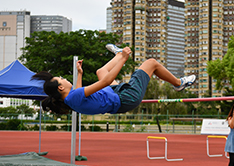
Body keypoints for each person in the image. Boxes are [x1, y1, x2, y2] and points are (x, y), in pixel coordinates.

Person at [32, 44, 196, 115]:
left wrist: (80, 74)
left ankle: (117, 53)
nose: (64, 78)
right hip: (125, 98)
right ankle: (179, 84)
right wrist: (124, 59)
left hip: (114, 94)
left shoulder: (70, 99)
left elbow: (78, 90)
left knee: (100, 70)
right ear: (60, 88)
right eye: (61, 79)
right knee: (151, 63)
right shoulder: (73, 97)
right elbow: (104, 82)